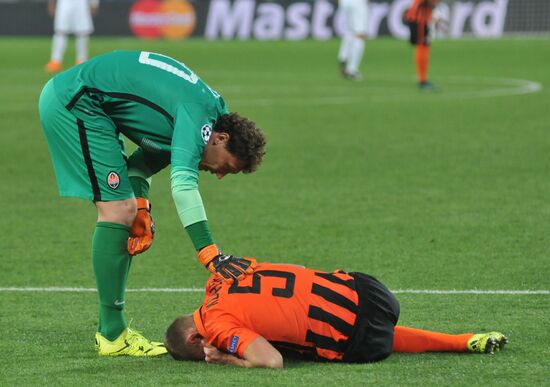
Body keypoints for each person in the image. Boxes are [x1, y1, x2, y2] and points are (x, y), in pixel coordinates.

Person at [38, 50, 265, 356]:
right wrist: (211, 254)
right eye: (226, 166)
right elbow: (183, 187)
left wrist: (141, 205)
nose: (220, 175)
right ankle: (113, 336)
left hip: (84, 101)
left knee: (128, 210)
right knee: (119, 210)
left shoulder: (200, 117)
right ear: (220, 139)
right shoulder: (199, 117)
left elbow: (140, 167)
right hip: (77, 103)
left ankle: (113, 332)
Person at [165, 261, 508, 367]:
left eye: (204, 351)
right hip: (370, 289)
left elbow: (271, 362)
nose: (214, 348)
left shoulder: (218, 326)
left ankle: (464, 342)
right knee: (342, 320)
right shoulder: (218, 281)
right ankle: (466, 341)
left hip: (359, 337)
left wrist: (228, 359)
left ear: (196, 337)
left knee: (311, 341)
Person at [45, 0, 100, 73]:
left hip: (81, 4)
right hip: (64, 4)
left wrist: (94, 3)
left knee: (82, 33)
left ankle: (82, 61)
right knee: (60, 31)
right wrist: (51, 3)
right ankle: (55, 61)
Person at [404, 0, 446, 90]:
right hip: (419, 21)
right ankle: (422, 81)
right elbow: (430, 3)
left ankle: (423, 79)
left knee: (424, 47)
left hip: (422, 20)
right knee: (422, 46)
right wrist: (437, 16)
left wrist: (436, 18)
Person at [337, 0, 369, 81]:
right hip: (357, 2)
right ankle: (352, 70)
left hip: (345, 2)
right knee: (360, 34)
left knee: (350, 31)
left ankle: (343, 56)